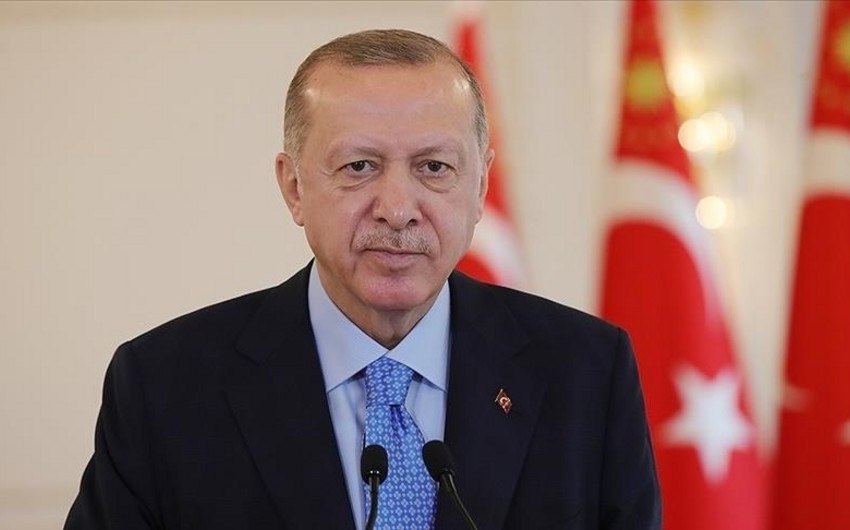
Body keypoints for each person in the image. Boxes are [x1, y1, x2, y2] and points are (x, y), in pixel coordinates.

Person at [65, 29, 660, 530]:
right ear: (294, 187)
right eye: (359, 166)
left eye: (434, 167)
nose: (397, 209)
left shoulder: (586, 372)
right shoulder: (164, 387)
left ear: (479, 186)